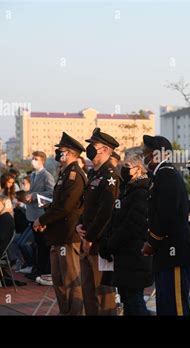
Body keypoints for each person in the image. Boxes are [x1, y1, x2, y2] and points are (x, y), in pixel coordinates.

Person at [141, 135, 190, 316]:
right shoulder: (160, 175)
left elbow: (166, 216)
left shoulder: (167, 175)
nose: (145, 156)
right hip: (165, 251)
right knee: (165, 306)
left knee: (176, 307)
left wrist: (152, 242)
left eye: (147, 153)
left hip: (174, 251)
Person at [33, 132, 86, 315]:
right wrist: (47, 219)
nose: (58, 154)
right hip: (58, 234)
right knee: (59, 279)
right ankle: (65, 311)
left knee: (71, 280)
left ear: (70, 153)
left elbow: (65, 207)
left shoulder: (74, 175)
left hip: (68, 235)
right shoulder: (65, 174)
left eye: (61, 151)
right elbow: (56, 204)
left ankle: (75, 313)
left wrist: (42, 219)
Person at [99, 154, 152, 315]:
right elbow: (116, 218)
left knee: (134, 300)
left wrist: (110, 244)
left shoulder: (141, 192)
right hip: (125, 256)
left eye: (127, 167)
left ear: (137, 169)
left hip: (134, 255)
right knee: (127, 299)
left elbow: (131, 225)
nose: (123, 170)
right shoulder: (128, 190)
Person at [76, 127, 120, 315]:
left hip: (100, 244)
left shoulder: (110, 176)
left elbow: (106, 212)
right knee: (88, 292)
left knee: (103, 294)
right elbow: (87, 206)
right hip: (87, 240)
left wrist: (91, 238)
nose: (90, 149)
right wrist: (79, 225)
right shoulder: (95, 174)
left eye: (93, 146)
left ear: (106, 150)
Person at [22, 151, 55, 280]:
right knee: (36, 243)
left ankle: (43, 270)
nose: (33, 161)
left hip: (40, 214)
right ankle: (37, 268)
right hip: (32, 213)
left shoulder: (47, 176)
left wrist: (34, 196)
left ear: (42, 161)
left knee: (42, 244)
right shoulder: (33, 175)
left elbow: (52, 193)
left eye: (36, 159)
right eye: (33, 158)